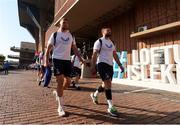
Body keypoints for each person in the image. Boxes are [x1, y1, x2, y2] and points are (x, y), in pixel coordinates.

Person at [44, 18, 84, 117]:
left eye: (67, 22)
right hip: (57, 59)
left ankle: (58, 92)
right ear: (60, 24)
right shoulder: (55, 35)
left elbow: (74, 48)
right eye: (63, 23)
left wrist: (81, 59)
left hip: (67, 61)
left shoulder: (71, 36)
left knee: (68, 82)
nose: (65, 24)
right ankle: (60, 107)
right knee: (60, 81)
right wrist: (46, 61)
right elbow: (48, 49)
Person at [90, 26, 124, 117]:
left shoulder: (112, 42)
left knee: (105, 84)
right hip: (101, 64)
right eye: (107, 30)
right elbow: (94, 54)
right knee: (108, 83)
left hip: (110, 66)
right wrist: (93, 66)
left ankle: (95, 95)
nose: (109, 31)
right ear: (102, 32)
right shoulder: (99, 41)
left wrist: (120, 65)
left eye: (110, 30)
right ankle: (111, 106)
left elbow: (114, 54)